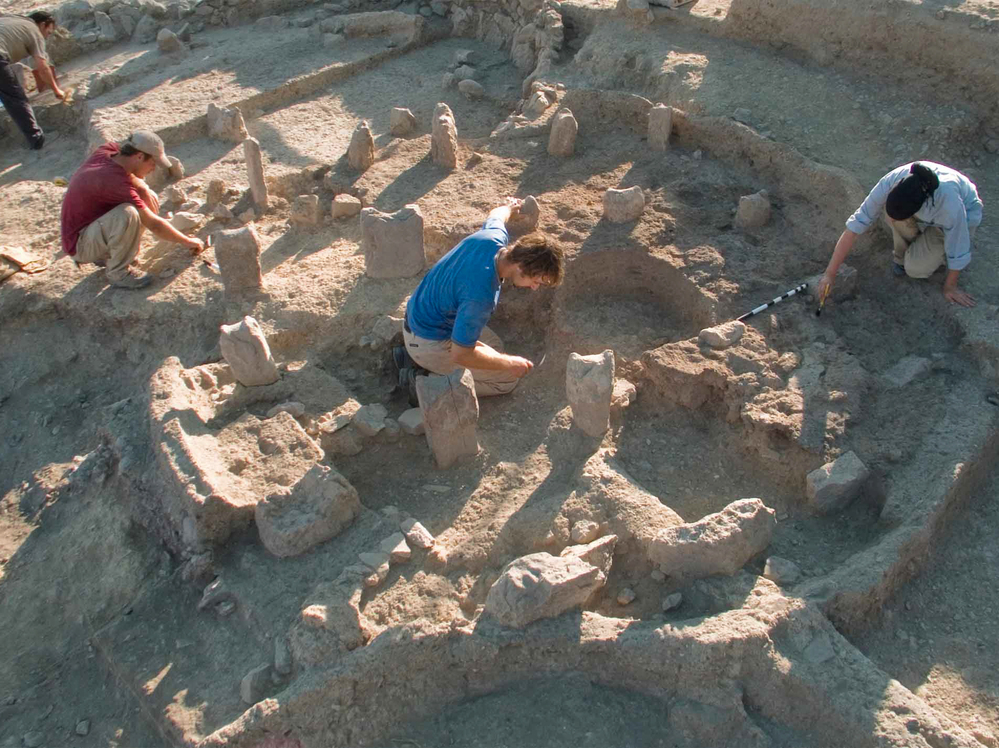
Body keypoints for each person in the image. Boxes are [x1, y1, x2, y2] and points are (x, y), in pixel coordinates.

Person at [400, 198, 564, 399]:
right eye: (536, 280)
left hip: (421, 315)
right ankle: (422, 381)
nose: (535, 287)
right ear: (521, 267)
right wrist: (510, 364)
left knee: (495, 347)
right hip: (428, 342)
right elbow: (461, 354)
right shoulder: (481, 296)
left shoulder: (492, 238)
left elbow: (496, 215)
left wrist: (509, 208)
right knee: (506, 379)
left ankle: (425, 361)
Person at [817, 161, 983, 308]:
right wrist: (829, 274)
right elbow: (856, 224)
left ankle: (934, 255)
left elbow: (958, 245)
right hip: (922, 211)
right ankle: (907, 253)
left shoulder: (950, 206)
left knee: (916, 269)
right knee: (891, 216)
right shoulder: (893, 180)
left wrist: (950, 287)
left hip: (961, 217)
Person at [60, 130, 205, 289]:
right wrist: (187, 241)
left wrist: (142, 187)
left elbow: (136, 184)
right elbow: (154, 225)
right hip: (80, 245)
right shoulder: (114, 181)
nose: (154, 168)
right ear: (139, 156)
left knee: (146, 194)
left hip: (92, 230)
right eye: (153, 163)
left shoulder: (109, 151)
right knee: (128, 213)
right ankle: (119, 273)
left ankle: (114, 255)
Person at [0, 11, 64, 150]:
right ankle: (36, 139)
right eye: (49, 32)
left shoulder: (13, 16)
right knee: (15, 98)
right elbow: (42, 67)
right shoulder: (35, 32)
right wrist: (56, 89)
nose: (47, 37)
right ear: (42, 24)